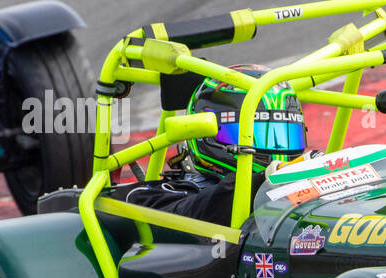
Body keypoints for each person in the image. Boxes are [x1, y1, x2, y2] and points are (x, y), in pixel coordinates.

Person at [122, 64, 309, 225]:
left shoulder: (299, 181)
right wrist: (265, 180)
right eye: (255, 136)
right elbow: (201, 210)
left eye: (286, 136)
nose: (276, 153)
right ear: (205, 134)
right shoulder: (153, 197)